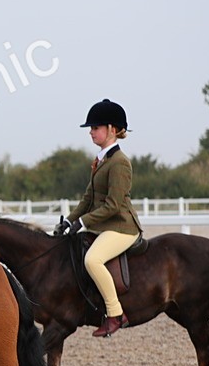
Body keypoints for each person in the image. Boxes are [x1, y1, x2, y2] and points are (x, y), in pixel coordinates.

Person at [54, 99, 143, 337]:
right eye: (91, 128)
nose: (91, 132)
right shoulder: (101, 160)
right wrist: (69, 221)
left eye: (95, 127)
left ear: (112, 130)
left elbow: (113, 205)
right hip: (104, 225)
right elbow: (87, 198)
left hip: (121, 227)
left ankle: (115, 313)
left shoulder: (120, 163)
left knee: (92, 260)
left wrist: (83, 223)